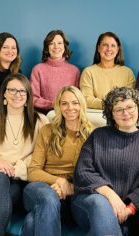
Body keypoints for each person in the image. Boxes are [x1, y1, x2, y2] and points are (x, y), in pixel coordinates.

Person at [71, 87, 139, 235]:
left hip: (131, 210)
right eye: (119, 109)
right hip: (91, 202)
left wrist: (130, 208)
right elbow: (82, 171)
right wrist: (110, 195)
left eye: (130, 107)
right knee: (100, 205)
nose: (125, 113)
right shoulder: (98, 135)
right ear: (111, 114)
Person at [0, 73, 49, 236]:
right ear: (4, 94)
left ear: (28, 96)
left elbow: (45, 156)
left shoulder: (41, 122)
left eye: (22, 91)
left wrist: (17, 168)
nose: (17, 95)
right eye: (12, 90)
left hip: (20, 182)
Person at [21, 86, 93, 236]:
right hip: (40, 187)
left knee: (31, 222)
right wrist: (59, 181)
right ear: (59, 106)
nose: (70, 108)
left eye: (75, 103)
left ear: (81, 105)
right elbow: (33, 172)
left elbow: (94, 173)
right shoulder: (47, 130)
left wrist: (70, 187)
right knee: (48, 197)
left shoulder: (92, 133)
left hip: (70, 194)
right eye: (64, 103)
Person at [80, 32, 135, 109]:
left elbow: (130, 99)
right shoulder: (88, 72)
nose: (109, 49)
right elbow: (87, 99)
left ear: (117, 49)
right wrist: (111, 104)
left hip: (122, 117)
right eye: (105, 45)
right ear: (99, 48)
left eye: (113, 46)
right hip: (95, 117)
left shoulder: (127, 72)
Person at [30, 30, 80, 114]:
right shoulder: (38, 69)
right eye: (51, 43)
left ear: (64, 46)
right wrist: (53, 104)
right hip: (45, 117)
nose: (56, 46)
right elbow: (33, 98)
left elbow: (78, 100)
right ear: (47, 47)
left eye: (59, 43)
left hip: (68, 116)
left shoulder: (74, 71)